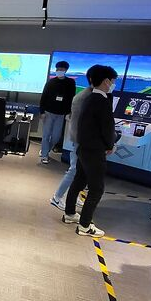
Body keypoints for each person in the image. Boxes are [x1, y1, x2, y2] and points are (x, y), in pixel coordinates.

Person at [61, 65, 119, 237]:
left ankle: (70, 213)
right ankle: (85, 226)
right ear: (106, 81)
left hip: (84, 148)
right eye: (113, 81)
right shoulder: (102, 101)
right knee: (96, 189)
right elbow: (107, 128)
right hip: (95, 151)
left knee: (78, 181)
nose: (113, 84)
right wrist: (110, 145)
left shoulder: (88, 98)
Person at [50, 67, 96, 211]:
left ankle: (74, 195)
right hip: (80, 140)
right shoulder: (85, 98)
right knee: (74, 169)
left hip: (81, 140)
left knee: (80, 171)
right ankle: (57, 197)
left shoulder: (88, 96)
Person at [39, 61, 77, 164]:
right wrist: (42, 112)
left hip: (61, 114)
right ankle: (44, 155)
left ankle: (45, 150)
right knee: (46, 135)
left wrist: (70, 111)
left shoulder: (70, 82)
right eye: (58, 69)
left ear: (66, 70)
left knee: (56, 137)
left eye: (61, 69)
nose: (59, 71)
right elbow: (44, 96)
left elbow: (72, 98)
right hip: (48, 112)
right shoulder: (51, 82)